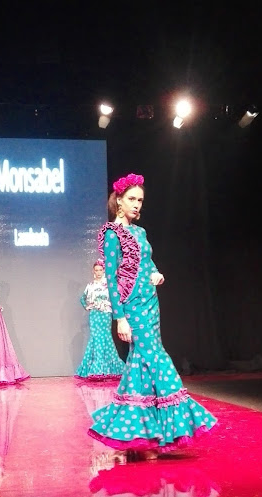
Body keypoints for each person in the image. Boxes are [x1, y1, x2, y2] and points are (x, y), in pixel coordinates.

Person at [88, 173, 218, 459]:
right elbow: (111, 279)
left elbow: (147, 263)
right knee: (155, 357)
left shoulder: (140, 232)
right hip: (132, 306)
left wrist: (156, 273)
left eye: (140, 200)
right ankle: (177, 422)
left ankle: (144, 436)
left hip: (151, 302)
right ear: (119, 201)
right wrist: (120, 318)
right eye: (132, 199)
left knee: (140, 363)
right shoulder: (112, 234)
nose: (137, 204)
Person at [75, 259, 125, 380]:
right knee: (95, 338)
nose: (98, 272)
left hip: (106, 314)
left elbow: (116, 298)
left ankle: (109, 369)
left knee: (106, 337)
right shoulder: (90, 285)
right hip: (94, 315)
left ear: (104, 271)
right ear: (93, 271)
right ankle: (97, 369)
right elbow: (82, 298)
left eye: (100, 270)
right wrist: (88, 307)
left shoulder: (108, 285)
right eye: (96, 270)